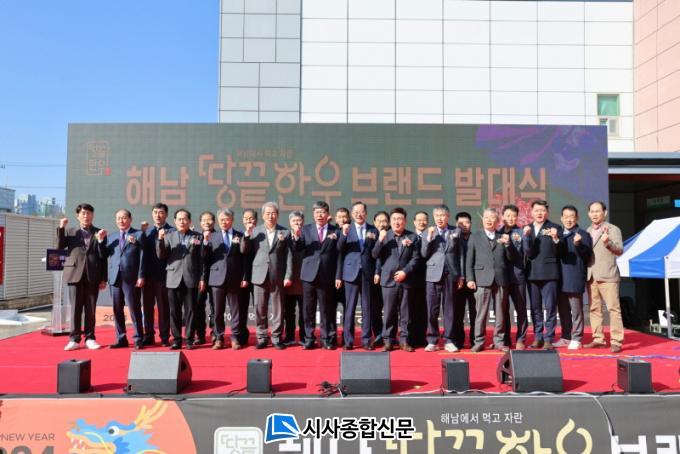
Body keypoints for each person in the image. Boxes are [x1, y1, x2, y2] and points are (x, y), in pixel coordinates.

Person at [465, 208, 518, 352]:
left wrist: (508, 244)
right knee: (480, 313)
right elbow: (469, 259)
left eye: (492, 218)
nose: (489, 220)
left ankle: (499, 341)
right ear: (482, 219)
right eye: (486, 217)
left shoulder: (503, 236)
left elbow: (511, 258)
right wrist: (470, 278)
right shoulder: (475, 236)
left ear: (498, 221)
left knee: (501, 312)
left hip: (500, 279)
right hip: (481, 279)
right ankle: (479, 341)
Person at [293, 201, 342, 350]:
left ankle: (326, 338)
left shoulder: (336, 231)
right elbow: (298, 248)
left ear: (327, 214)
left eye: (322, 212)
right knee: (308, 308)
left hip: (327, 275)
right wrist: (296, 236)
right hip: (309, 275)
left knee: (326, 309)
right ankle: (309, 338)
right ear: (313, 214)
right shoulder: (306, 229)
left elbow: (339, 255)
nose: (320, 215)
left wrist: (338, 275)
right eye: (317, 212)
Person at [59, 203, 107, 351]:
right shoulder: (70, 231)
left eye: (89, 213)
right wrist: (61, 228)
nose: (86, 216)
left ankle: (90, 338)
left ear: (93, 215)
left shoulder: (99, 232)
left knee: (91, 309)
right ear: (78, 216)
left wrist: (103, 278)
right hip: (74, 274)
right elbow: (59, 246)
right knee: (75, 309)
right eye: (83, 213)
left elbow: (103, 256)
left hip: (93, 275)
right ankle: (74, 339)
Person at [372, 207, 421, 352]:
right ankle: (388, 340)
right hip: (388, 280)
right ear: (390, 221)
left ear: (405, 221)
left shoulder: (412, 237)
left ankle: (404, 340)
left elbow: (416, 258)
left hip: (406, 280)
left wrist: (405, 272)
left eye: (399, 219)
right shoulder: (384, 236)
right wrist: (380, 240)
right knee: (388, 312)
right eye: (394, 219)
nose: (396, 222)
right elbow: (374, 255)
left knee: (405, 312)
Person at [156, 209, 205, 350]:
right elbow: (161, 255)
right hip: (173, 278)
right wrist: (160, 239)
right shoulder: (169, 236)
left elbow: (202, 259)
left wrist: (202, 278)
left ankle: (189, 339)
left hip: (191, 278)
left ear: (190, 221)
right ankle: (177, 340)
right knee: (174, 311)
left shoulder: (198, 236)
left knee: (191, 311)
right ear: (175, 221)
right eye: (179, 219)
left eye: (184, 219)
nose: (182, 221)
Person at [203, 208, 252, 350]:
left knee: (236, 310)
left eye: (226, 219)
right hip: (216, 278)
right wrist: (205, 242)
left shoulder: (240, 235)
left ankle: (235, 336)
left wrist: (245, 277)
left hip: (235, 278)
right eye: (221, 220)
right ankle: (219, 337)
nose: (224, 222)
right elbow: (205, 258)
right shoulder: (212, 236)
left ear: (232, 220)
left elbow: (245, 258)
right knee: (218, 311)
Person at [250, 201, 293, 350]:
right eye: (267, 213)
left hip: (277, 275)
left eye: (273, 213)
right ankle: (261, 337)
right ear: (263, 215)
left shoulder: (285, 232)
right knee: (259, 308)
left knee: (278, 308)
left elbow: (289, 256)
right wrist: (247, 235)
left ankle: (276, 337)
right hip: (259, 274)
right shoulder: (255, 231)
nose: (270, 216)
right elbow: (246, 251)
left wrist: (288, 275)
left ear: (278, 215)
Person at [337, 201, 380, 350]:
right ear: (352, 214)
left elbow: (377, 254)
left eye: (361, 212)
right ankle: (348, 341)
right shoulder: (346, 229)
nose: (359, 215)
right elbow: (339, 249)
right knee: (349, 308)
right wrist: (343, 234)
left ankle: (366, 340)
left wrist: (377, 271)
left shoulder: (373, 230)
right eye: (355, 212)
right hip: (350, 273)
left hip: (367, 273)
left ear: (366, 213)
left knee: (367, 307)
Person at [522, 200, 564, 350]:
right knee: (535, 308)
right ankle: (538, 337)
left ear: (547, 212)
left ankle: (549, 338)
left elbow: (561, 251)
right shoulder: (526, 228)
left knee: (550, 307)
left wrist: (555, 238)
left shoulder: (555, 228)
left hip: (550, 273)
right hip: (532, 273)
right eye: (537, 210)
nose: (539, 213)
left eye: (542, 210)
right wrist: (527, 237)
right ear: (531, 212)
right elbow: (528, 252)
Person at [421, 204, 463, 352]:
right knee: (432, 309)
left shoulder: (456, 231)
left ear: (448, 216)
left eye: (442, 215)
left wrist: (461, 276)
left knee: (449, 309)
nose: (440, 218)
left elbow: (460, 255)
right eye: (437, 216)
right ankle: (432, 339)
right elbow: (424, 254)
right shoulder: (428, 232)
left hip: (451, 274)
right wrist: (429, 237)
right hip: (432, 274)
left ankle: (449, 340)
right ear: (434, 217)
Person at [585, 201, 625, 353]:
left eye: (598, 211)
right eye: (592, 211)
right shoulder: (587, 230)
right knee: (594, 309)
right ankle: (598, 339)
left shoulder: (614, 229)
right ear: (588, 214)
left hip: (608, 275)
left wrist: (607, 242)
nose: (594, 214)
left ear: (605, 212)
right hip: (591, 276)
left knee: (613, 309)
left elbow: (619, 250)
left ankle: (616, 341)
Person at [104, 209, 146, 350]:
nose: (121, 221)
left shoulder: (138, 234)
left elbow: (142, 257)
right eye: (118, 218)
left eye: (124, 218)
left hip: (131, 278)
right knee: (117, 309)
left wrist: (141, 276)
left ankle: (138, 338)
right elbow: (104, 255)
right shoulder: (112, 237)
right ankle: (121, 338)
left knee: (134, 309)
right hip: (115, 278)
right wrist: (100, 241)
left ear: (130, 219)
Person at [555, 205, 593, 350]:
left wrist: (578, 244)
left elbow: (587, 256)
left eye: (571, 217)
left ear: (577, 218)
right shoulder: (558, 234)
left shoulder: (583, 234)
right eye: (566, 217)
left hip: (574, 276)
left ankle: (577, 338)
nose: (568, 220)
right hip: (559, 277)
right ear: (561, 218)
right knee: (563, 310)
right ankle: (566, 337)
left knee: (576, 310)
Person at [498, 204, 529, 350]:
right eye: (508, 215)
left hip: (517, 276)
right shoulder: (497, 233)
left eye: (513, 216)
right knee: (503, 310)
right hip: (501, 277)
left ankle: (521, 338)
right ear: (502, 216)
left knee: (521, 308)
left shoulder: (521, 233)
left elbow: (521, 254)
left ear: (517, 217)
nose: (510, 218)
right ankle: (505, 339)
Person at [141, 202, 172, 346]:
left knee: (163, 308)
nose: (158, 215)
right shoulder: (146, 232)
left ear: (166, 214)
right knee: (147, 307)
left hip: (164, 276)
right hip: (147, 276)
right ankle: (148, 335)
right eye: (155, 212)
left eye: (161, 212)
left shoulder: (172, 231)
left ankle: (165, 336)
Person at [192, 211, 216, 345]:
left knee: (214, 307)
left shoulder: (219, 236)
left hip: (215, 276)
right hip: (198, 277)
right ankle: (200, 334)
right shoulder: (196, 237)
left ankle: (215, 333)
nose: (207, 222)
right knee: (198, 306)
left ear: (214, 222)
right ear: (200, 223)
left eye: (209, 220)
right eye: (204, 220)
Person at [283, 211, 305, 346]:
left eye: (299, 220)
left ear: (303, 221)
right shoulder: (284, 236)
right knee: (289, 312)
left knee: (305, 312)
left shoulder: (308, 235)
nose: (297, 223)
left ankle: (304, 336)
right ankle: (289, 336)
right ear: (290, 222)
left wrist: (298, 236)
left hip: (304, 280)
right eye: (294, 221)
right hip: (288, 280)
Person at [455, 212, 477, 348]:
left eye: (467, 223)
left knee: (475, 313)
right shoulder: (453, 238)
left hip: (474, 281)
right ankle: (458, 341)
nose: (464, 226)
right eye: (461, 223)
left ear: (471, 224)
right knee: (458, 313)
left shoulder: (477, 238)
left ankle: (475, 340)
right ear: (456, 224)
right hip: (458, 281)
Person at [410, 210, 429, 347]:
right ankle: (410, 337)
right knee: (410, 308)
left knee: (423, 309)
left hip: (427, 277)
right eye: (419, 220)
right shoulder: (409, 236)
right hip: (410, 277)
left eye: (424, 220)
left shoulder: (432, 236)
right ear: (414, 222)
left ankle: (422, 337)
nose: (422, 222)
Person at [371, 210, 390, 345]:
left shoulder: (393, 235)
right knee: (375, 308)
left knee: (390, 308)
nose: (382, 224)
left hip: (390, 277)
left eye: (384, 221)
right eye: (379, 221)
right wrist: (377, 272)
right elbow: (375, 255)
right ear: (374, 222)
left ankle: (390, 335)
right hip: (373, 277)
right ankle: (378, 334)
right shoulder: (370, 234)